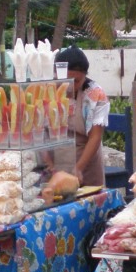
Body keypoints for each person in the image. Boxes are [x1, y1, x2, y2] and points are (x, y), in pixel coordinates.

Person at [54, 46, 109, 187]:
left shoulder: (96, 95)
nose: (69, 86)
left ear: (85, 76)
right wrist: (48, 163)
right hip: (57, 162)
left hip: (87, 164)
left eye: (76, 81)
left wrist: (78, 168)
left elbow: (95, 136)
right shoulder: (47, 91)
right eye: (65, 80)